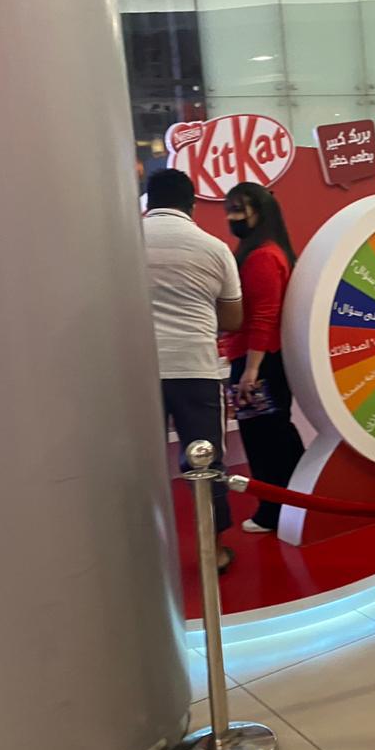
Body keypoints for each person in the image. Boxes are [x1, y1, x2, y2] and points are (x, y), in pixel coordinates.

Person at [142, 169, 243, 572]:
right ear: (192, 204)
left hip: (136, 372)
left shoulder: (123, 245)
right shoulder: (214, 248)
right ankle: (213, 553)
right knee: (206, 463)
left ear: (147, 200)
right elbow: (233, 318)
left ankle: (140, 556)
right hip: (196, 369)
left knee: (137, 467)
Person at [222, 182, 305, 535]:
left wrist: (251, 370)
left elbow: (263, 316)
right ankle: (293, 503)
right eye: (230, 209)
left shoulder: (262, 257)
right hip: (262, 360)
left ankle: (273, 510)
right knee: (274, 433)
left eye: (240, 209)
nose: (233, 217)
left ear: (260, 212)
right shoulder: (271, 252)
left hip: (257, 362)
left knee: (263, 438)